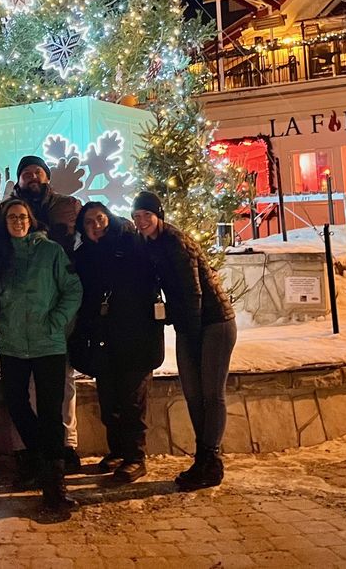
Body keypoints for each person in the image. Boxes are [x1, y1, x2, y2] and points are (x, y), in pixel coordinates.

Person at [131, 191, 237, 491]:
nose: (141, 222)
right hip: (189, 325)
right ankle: (202, 458)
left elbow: (193, 293)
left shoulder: (177, 243)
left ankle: (210, 459)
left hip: (214, 322)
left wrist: (190, 333)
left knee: (210, 393)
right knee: (192, 392)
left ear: (158, 215)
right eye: (136, 217)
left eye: (146, 216)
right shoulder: (149, 243)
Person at [0, 197, 82, 511]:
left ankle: (54, 485)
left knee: (52, 412)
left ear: (31, 219)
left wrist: (55, 321)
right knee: (16, 402)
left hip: (47, 345)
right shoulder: (0, 256)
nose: (17, 221)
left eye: (22, 216)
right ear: (5, 222)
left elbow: (72, 289)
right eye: (12, 217)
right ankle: (43, 459)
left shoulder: (50, 251)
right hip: (12, 345)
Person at [70, 202, 164, 484]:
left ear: (109, 219)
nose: (96, 225)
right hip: (103, 337)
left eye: (100, 219)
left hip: (136, 335)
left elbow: (149, 283)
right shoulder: (84, 255)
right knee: (108, 397)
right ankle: (118, 451)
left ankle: (135, 457)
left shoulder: (132, 245)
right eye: (89, 222)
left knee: (132, 400)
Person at [13, 154, 83, 472]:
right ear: (18, 180)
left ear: (47, 177)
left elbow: (86, 241)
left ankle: (66, 443)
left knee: (62, 377)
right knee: (26, 382)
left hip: (58, 305)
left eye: (37, 172)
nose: (32, 177)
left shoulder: (69, 206)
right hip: (24, 309)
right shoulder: (10, 211)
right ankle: (34, 446)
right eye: (26, 173)